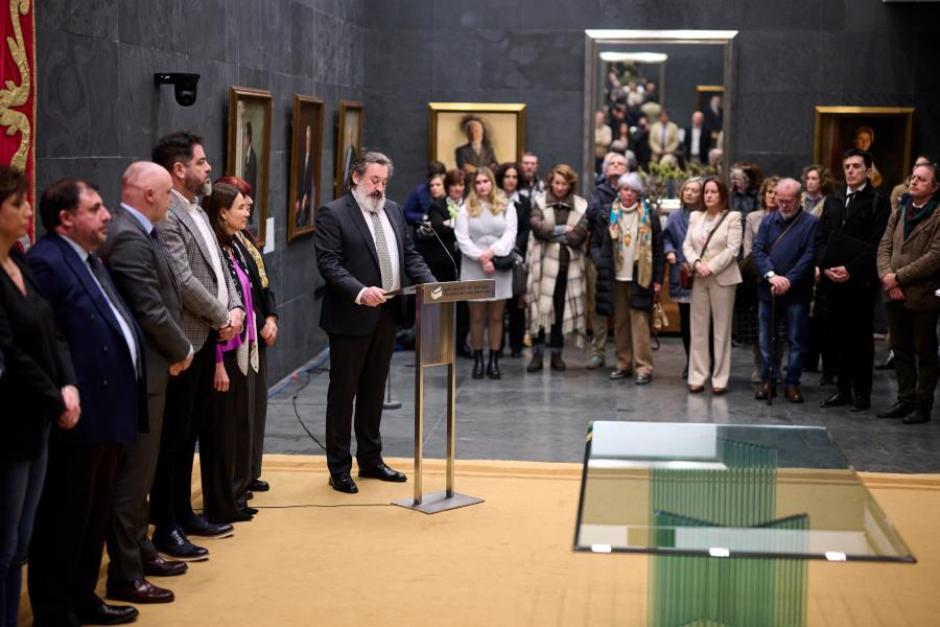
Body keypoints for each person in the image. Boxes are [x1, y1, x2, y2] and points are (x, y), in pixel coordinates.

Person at [27, 178, 146, 626]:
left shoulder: (89, 258)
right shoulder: (47, 262)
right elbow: (49, 338)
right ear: (65, 219)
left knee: (94, 515)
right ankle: (56, 610)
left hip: (110, 408)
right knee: (65, 518)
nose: (106, 215)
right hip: (79, 412)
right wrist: (66, 388)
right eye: (94, 209)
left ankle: (83, 596)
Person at [99, 162, 194, 605]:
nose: (173, 200)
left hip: (154, 368)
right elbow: (149, 308)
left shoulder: (142, 232)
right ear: (150, 194)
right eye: (168, 193)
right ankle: (126, 574)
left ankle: (141, 550)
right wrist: (181, 348)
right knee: (134, 478)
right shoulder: (128, 237)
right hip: (144, 373)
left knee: (144, 472)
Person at [315, 151, 435, 494]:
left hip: (387, 314)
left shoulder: (393, 210)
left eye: (384, 182)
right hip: (350, 316)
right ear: (356, 178)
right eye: (374, 181)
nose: (380, 188)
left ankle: (370, 460)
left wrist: (430, 283)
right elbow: (329, 263)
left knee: (373, 391)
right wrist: (360, 291)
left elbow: (409, 254)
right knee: (344, 394)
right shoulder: (334, 213)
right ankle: (339, 468)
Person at [152, 131, 244, 560]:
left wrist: (236, 307)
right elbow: (182, 279)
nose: (209, 168)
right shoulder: (167, 213)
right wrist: (222, 315)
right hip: (186, 339)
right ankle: (166, 523)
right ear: (179, 169)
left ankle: (185, 513)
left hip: (208, 336)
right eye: (202, 162)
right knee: (174, 437)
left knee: (190, 432)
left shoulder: (198, 208)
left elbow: (221, 266)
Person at [0, 167, 79, 627]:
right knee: (3, 544)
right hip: (10, 424)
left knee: (20, 543)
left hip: (40, 420)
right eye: (17, 204)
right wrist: (56, 396)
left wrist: (67, 385)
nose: (29, 210)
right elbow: (10, 350)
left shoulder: (21, 260)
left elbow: (52, 332)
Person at [214, 175, 278, 499]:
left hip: (257, 331)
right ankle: (237, 480)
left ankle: (250, 472)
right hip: (237, 337)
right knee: (240, 412)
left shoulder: (244, 238)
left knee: (256, 406)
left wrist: (272, 316)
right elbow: (237, 291)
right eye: (242, 199)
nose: (249, 204)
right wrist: (259, 322)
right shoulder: (224, 243)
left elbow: (262, 281)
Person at [199, 183, 259, 523]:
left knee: (236, 429)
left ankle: (236, 495)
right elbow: (215, 303)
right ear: (222, 212)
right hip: (221, 351)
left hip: (240, 345)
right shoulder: (217, 250)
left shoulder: (234, 245)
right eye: (240, 206)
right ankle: (220, 504)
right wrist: (218, 361)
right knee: (220, 435)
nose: (247, 210)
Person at [816, 148, 891, 412]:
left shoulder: (878, 200)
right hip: (831, 279)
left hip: (860, 281)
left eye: (856, 166)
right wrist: (825, 266)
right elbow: (821, 237)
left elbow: (877, 243)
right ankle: (843, 389)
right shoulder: (833, 199)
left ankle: (862, 393)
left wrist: (850, 269)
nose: (850, 170)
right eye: (847, 166)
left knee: (859, 339)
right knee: (837, 336)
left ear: (868, 170)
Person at [876, 161, 940, 424]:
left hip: (923, 294)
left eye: (921, 179)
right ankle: (905, 399)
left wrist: (898, 278)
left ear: (934, 187)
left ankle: (923, 405)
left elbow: (935, 257)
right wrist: (887, 277)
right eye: (913, 177)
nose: (913, 181)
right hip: (893, 292)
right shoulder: (900, 211)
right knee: (900, 348)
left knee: (925, 351)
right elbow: (884, 246)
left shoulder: (938, 215)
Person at [592, 173, 663, 384]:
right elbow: (594, 243)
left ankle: (643, 367)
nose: (629, 194)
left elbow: (658, 249)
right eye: (625, 189)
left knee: (640, 322)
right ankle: (623, 363)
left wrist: (658, 279)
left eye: (633, 190)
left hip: (640, 275)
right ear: (619, 191)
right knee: (620, 322)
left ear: (638, 193)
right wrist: (601, 262)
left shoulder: (649, 214)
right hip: (615, 276)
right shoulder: (607, 213)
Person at [752, 179, 818, 402]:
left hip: (797, 292)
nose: (783, 205)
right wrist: (772, 276)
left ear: (799, 199)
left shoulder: (811, 223)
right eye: (780, 200)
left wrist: (789, 280)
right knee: (766, 339)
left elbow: (809, 255)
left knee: (796, 340)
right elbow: (758, 251)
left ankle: (792, 383)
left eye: (788, 201)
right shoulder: (768, 221)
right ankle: (768, 380)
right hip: (768, 290)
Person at [526, 164, 589, 372]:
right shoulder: (540, 201)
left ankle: (556, 355)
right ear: (550, 183)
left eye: (564, 184)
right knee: (539, 310)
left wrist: (551, 234)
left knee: (560, 312)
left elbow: (578, 236)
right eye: (557, 183)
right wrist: (562, 229)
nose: (560, 187)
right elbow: (536, 228)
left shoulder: (581, 205)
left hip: (567, 268)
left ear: (570, 185)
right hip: (542, 267)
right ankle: (536, 355)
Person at [455, 166, 517, 379]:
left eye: (485, 181)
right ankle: (479, 360)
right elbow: (462, 238)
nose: (482, 186)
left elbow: (510, 234)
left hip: (498, 265)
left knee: (497, 317)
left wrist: (492, 253)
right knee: (477, 317)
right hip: (474, 266)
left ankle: (494, 361)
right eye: (478, 182)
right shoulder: (465, 208)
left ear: (492, 182)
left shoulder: (506, 206)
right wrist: (481, 257)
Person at [683, 176, 743, 394]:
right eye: (706, 192)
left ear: (722, 195)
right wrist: (697, 263)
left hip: (723, 278)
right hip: (699, 277)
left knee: (721, 330)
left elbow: (733, 249)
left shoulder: (733, 217)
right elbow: (687, 245)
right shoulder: (695, 216)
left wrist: (711, 267)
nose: (708, 195)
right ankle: (697, 377)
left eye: (713, 192)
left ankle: (719, 379)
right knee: (698, 329)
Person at [585, 153, 628, 370]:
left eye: (621, 164)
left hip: (626, 257)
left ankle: (624, 353)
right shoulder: (597, 191)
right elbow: (592, 215)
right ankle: (598, 351)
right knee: (598, 305)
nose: (616, 166)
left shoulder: (633, 191)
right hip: (599, 254)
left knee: (624, 306)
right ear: (605, 170)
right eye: (612, 163)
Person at [742, 176, 781, 383]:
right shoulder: (753, 218)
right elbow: (748, 250)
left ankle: (777, 367)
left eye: (776, 192)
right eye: (769, 192)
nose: (772, 196)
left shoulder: (789, 217)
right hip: (757, 277)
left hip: (781, 277)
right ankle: (761, 367)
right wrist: (763, 270)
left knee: (779, 327)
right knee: (759, 325)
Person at [663, 177, 704, 377]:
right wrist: (669, 251)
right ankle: (690, 361)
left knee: (703, 323)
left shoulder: (707, 216)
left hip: (703, 273)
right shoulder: (674, 216)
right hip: (682, 274)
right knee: (686, 323)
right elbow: (666, 238)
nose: (689, 193)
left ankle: (705, 361)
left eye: (694, 190)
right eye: (686, 189)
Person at [800, 164, 836, 382]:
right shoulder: (799, 200)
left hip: (819, 258)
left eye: (814, 178)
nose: (810, 182)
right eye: (808, 178)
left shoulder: (829, 203)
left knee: (820, 315)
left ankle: (826, 363)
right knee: (804, 312)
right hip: (800, 258)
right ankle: (807, 358)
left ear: (822, 181)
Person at [495, 162, 531, 358]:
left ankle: (516, 346)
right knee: (499, 304)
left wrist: (514, 246)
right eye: (507, 176)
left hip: (517, 256)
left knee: (517, 302)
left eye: (514, 177)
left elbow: (525, 229)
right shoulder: (493, 200)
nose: (511, 180)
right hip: (497, 255)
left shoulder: (524, 202)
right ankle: (497, 346)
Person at [402, 161, 446, 226]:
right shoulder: (420, 191)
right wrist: (423, 216)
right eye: (432, 185)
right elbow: (406, 214)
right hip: (425, 227)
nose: (435, 187)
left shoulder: (450, 190)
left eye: (438, 184)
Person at [294, 124, 316, 229]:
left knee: (302, 220)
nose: (308, 141)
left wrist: (305, 197)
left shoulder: (313, 159)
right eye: (307, 138)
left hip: (307, 199)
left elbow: (311, 182)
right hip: (300, 196)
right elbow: (300, 180)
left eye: (309, 138)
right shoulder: (302, 157)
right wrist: (298, 199)